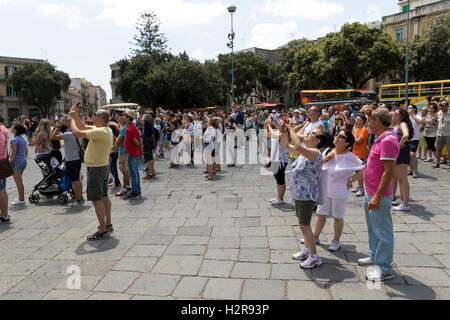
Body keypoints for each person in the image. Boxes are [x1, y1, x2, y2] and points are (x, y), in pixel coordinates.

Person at [280, 122, 328, 269]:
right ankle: (307, 250)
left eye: (311, 134)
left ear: (318, 141)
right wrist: (283, 132)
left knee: (304, 226)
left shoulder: (315, 153)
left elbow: (298, 146)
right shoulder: (307, 150)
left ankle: (314, 256)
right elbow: (287, 146)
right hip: (300, 193)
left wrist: (290, 130)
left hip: (307, 195)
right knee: (303, 225)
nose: (307, 135)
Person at [358, 107, 399, 282]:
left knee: (383, 231)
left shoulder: (388, 140)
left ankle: (384, 268)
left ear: (378, 122)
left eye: (370, 121)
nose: (367, 124)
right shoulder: (380, 137)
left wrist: (377, 196)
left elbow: (388, 172)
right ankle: (374, 256)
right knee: (373, 228)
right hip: (370, 190)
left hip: (378, 194)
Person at [309, 129, 363, 251]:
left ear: (347, 143)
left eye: (341, 136)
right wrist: (328, 157)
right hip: (325, 189)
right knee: (320, 214)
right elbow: (317, 166)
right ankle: (315, 236)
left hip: (339, 191)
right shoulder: (329, 151)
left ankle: (336, 240)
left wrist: (351, 180)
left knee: (338, 217)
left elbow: (364, 170)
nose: (337, 137)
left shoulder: (350, 156)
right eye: (337, 135)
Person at [70, 105, 113, 241]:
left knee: (96, 199)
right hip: (102, 167)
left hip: (96, 169)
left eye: (95, 115)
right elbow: (82, 126)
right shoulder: (104, 129)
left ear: (101, 118)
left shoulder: (100, 131)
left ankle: (102, 229)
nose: (93, 116)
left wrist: (71, 119)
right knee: (104, 196)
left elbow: (76, 132)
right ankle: (108, 224)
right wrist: (75, 115)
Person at [51, 117, 85, 207]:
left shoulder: (68, 134)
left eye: (67, 121)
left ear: (71, 123)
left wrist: (58, 126)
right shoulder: (79, 133)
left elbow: (53, 137)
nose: (65, 122)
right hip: (78, 159)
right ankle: (80, 197)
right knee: (78, 179)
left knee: (75, 181)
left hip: (71, 160)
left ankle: (78, 200)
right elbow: (81, 145)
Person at [392, 108, 413, 212]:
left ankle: (405, 203)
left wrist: (399, 143)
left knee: (403, 178)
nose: (393, 114)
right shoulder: (397, 124)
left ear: (401, 115)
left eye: (395, 113)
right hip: (398, 153)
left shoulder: (403, 124)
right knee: (400, 178)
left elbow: (406, 135)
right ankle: (402, 199)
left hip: (402, 152)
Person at [266, 116, 289, 205]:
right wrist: (269, 125)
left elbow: (272, 134)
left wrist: (269, 125)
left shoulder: (284, 133)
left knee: (280, 179)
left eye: (280, 124)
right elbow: (268, 134)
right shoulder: (280, 132)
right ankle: (278, 196)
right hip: (276, 158)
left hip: (281, 160)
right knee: (277, 178)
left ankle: (281, 198)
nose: (278, 125)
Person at [123, 110, 143, 200]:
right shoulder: (133, 126)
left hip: (132, 153)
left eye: (124, 116)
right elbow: (139, 140)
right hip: (135, 153)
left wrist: (139, 147)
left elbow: (136, 141)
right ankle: (137, 190)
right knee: (135, 173)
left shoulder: (129, 128)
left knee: (133, 173)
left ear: (128, 117)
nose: (123, 117)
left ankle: (135, 192)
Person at [9, 124, 28, 206]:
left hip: (17, 161)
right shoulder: (23, 139)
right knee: (19, 180)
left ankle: (21, 199)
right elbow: (26, 151)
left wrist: (10, 161)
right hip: (23, 160)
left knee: (18, 181)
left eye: (13, 127)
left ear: (15, 130)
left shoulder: (14, 140)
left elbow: (13, 153)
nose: (11, 127)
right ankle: (20, 197)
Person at [352, 115, 369, 197]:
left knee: (359, 171)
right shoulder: (355, 130)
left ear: (362, 121)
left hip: (361, 152)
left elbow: (359, 140)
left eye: (358, 119)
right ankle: (359, 186)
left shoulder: (364, 129)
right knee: (356, 170)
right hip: (354, 152)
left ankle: (362, 188)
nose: (356, 120)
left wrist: (351, 140)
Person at [115, 114, 131, 197]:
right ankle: (127, 186)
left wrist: (115, 138)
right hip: (125, 150)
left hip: (123, 151)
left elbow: (118, 142)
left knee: (123, 170)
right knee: (126, 170)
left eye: (121, 118)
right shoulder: (126, 127)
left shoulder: (123, 128)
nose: (119, 119)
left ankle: (124, 188)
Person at [433, 101, 450, 169]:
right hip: (439, 133)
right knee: (438, 149)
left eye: (443, 105)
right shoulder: (438, 113)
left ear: (447, 106)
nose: (441, 107)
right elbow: (436, 121)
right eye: (441, 106)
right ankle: (437, 163)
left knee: (449, 149)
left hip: (448, 133)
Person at [0, 117, 10, 224]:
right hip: (3, 160)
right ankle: (4, 213)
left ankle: (4, 215)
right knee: (2, 188)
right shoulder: (4, 129)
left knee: (0, 189)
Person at [408, 105, 422, 178]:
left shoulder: (418, 115)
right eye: (408, 108)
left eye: (410, 108)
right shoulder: (408, 117)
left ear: (414, 109)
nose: (409, 109)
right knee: (408, 155)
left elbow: (419, 122)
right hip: (408, 138)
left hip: (415, 138)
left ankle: (415, 171)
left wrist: (413, 115)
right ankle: (411, 169)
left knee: (412, 154)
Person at [141, 113, 156, 179]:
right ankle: (152, 171)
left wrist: (138, 111)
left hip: (147, 142)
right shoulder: (151, 122)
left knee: (149, 158)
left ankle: (150, 173)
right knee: (151, 157)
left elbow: (140, 120)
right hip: (150, 141)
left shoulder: (148, 122)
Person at [108, 121, 122, 190]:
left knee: (113, 168)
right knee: (112, 168)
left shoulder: (112, 135)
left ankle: (117, 183)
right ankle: (116, 182)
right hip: (113, 152)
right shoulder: (114, 134)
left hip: (113, 152)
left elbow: (114, 143)